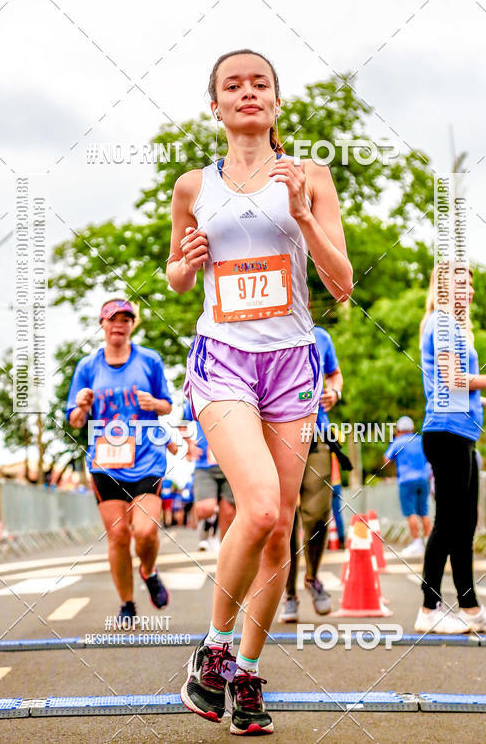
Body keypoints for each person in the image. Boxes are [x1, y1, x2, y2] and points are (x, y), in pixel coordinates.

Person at [168, 49, 353, 735]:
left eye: (260, 83)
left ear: (277, 101)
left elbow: (342, 284)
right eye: (232, 85)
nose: (247, 92)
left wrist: (303, 214)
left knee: (278, 533)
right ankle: (212, 651)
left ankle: (245, 673)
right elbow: (176, 274)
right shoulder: (193, 186)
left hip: (291, 363)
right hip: (224, 361)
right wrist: (184, 268)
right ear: (215, 105)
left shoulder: (310, 177)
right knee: (263, 504)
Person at [415, 265, 486, 635]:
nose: (470, 291)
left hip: (460, 433)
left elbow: (457, 387)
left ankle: (471, 609)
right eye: (462, 284)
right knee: (448, 522)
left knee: (464, 524)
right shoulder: (442, 323)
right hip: (446, 433)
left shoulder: (453, 326)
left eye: (472, 285)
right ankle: (428, 609)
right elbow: (452, 380)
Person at [66, 298, 175, 620]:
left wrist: (154, 403)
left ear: (132, 325)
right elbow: (75, 420)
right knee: (118, 536)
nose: (119, 324)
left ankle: (149, 570)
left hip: (146, 457)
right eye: (112, 319)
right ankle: (127, 604)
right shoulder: (88, 367)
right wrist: (82, 406)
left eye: (125, 319)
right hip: (106, 460)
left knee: (145, 531)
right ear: (102, 324)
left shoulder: (149, 360)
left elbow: (167, 405)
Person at [279, 323, 344, 622]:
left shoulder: (321, 336)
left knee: (318, 515)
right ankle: (288, 593)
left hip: (317, 435)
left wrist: (335, 392)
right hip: (277, 436)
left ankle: (312, 577)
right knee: (284, 520)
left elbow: (335, 374)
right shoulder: (266, 332)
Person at [180, 398, 236, 551]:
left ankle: (224, 550)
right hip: (204, 464)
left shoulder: (236, 392)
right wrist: (189, 443)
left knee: (229, 513)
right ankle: (206, 529)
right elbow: (182, 422)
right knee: (205, 508)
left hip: (230, 463)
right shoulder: (198, 393)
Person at [383, 416, 432, 559]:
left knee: (411, 513)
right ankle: (429, 542)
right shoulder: (421, 440)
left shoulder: (398, 442)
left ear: (398, 430)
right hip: (423, 479)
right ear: (412, 428)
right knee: (424, 512)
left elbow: (387, 459)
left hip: (406, 481)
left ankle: (417, 544)